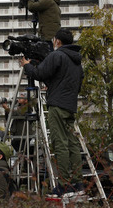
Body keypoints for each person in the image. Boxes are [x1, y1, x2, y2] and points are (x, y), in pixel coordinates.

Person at [18, 29, 84, 196]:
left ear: (57, 41)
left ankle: (64, 185)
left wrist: (27, 66)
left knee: (60, 143)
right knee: (72, 143)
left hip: (57, 106)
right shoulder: (76, 61)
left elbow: (39, 73)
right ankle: (78, 183)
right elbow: (70, 81)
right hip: (70, 106)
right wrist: (54, 85)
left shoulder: (57, 55)